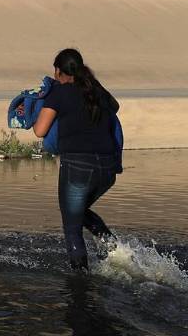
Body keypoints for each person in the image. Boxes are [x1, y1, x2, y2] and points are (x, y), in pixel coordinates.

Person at [32, 48, 120, 271]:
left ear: (58, 71)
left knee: (72, 228)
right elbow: (115, 106)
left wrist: (31, 112)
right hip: (107, 168)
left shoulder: (59, 93)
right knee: (79, 213)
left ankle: (80, 284)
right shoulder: (96, 90)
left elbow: (40, 131)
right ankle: (117, 252)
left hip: (78, 167)